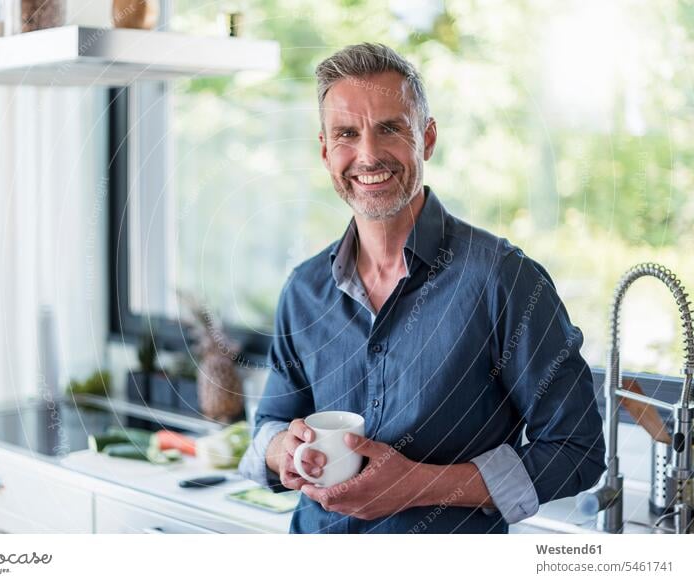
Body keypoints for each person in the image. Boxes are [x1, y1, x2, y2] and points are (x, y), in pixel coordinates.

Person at [238, 43, 605, 534]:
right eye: (347, 134)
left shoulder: (503, 280)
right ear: (326, 152)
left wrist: (420, 485)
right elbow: (269, 428)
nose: (368, 155)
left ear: (426, 139)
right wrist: (285, 449)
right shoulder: (304, 288)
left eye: (390, 128)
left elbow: (576, 450)